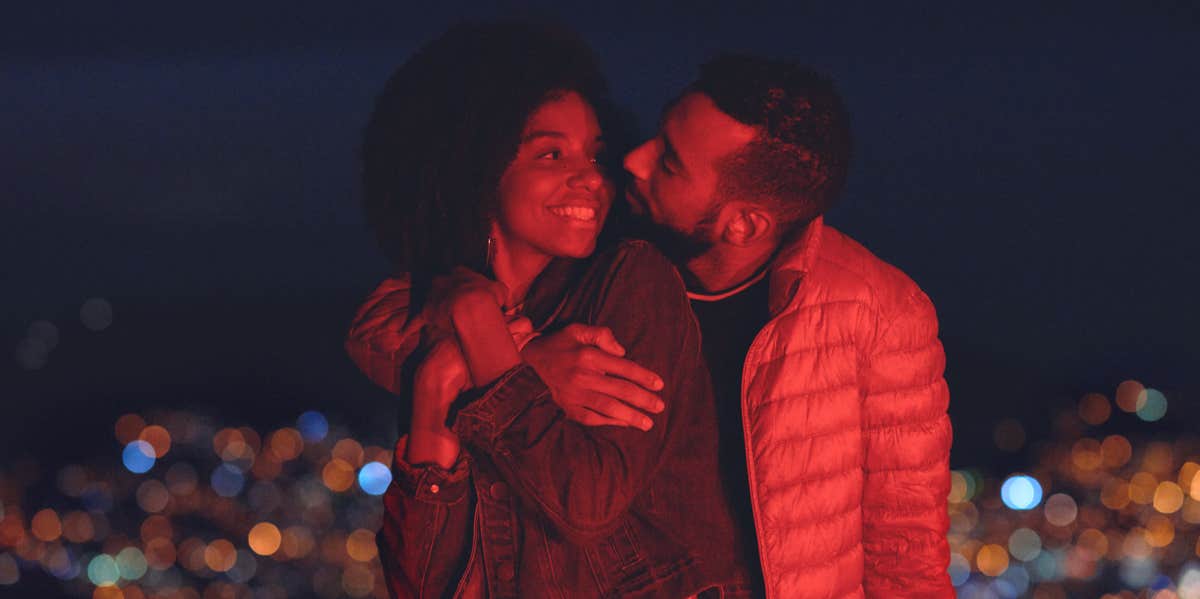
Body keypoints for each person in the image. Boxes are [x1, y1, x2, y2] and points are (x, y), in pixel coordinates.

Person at [350, 51, 955, 598]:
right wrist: (522, 362)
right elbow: (376, 327)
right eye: (656, 134)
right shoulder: (596, 245)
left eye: (668, 162)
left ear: (741, 225)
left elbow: (906, 553)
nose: (632, 161)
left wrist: (501, 365)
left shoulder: (876, 313)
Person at [355, 22, 757, 599]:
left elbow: (584, 506)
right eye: (551, 153)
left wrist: (480, 341)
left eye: (595, 153)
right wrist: (440, 385)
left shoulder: (632, 281)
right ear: (478, 168)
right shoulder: (436, 310)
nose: (592, 177)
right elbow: (422, 584)